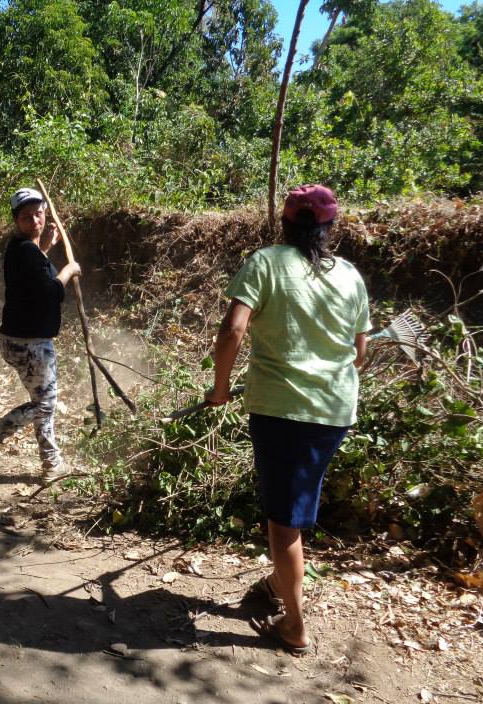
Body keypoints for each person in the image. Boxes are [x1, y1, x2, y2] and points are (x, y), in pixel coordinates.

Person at [205, 185, 370, 655]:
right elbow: (360, 352)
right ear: (330, 228)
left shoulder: (266, 262)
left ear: (285, 223)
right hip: (334, 412)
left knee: (284, 521)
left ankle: (294, 626)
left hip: (282, 409)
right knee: (294, 503)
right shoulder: (351, 276)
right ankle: (278, 584)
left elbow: (233, 328)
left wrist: (220, 388)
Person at [0, 187, 81, 483]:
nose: (35, 221)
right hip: (30, 343)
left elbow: (34, 276)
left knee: (43, 402)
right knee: (44, 404)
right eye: (27, 217)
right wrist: (69, 270)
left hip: (19, 340)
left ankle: (51, 463)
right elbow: (51, 291)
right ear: (16, 220)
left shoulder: (22, 249)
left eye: (39, 214)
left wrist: (46, 247)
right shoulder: (26, 250)